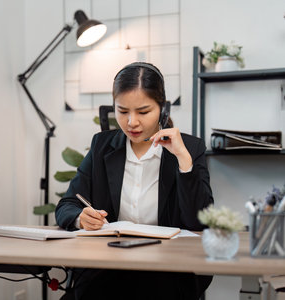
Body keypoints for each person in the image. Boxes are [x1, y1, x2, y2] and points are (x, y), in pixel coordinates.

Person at [55, 62, 214, 300]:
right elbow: (67, 204)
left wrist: (183, 160)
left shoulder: (190, 148)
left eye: (143, 111)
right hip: (108, 268)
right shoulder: (102, 146)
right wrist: (80, 218)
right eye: (122, 111)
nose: (131, 122)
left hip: (166, 271)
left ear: (163, 109)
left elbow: (198, 221)